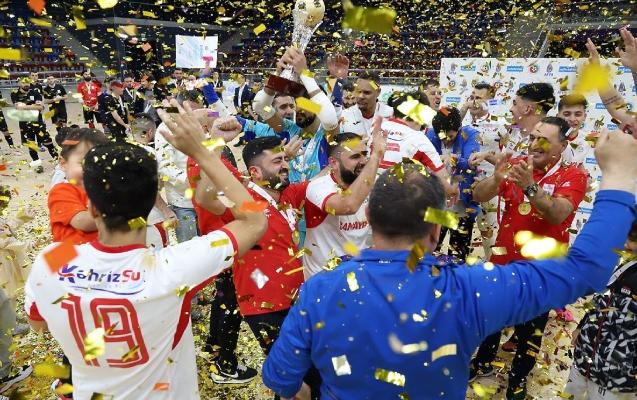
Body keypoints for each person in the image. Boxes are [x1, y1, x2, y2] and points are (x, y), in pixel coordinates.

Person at [260, 127, 637, 400]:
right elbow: (585, 270)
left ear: (370, 219)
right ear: (436, 230)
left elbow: (279, 377)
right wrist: (620, 178)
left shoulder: (319, 289)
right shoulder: (469, 288)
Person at [25, 101, 267, 399]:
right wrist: (205, 150)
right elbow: (255, 220)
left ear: (92, 207)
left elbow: (38, 323)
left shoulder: (49, 261)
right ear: (153, 200)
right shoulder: (173, 269)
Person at [470, 117, 588, 399]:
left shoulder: (574, 175)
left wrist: (530, 186)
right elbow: (477, 195)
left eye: (543, 139)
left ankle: (518, 380)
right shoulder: (518, 164)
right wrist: (495, 179)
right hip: (503, 264)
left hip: (541, 272)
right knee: (493, 318)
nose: (534, 144)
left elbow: (558, 213)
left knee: (530, 332)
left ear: (562, 145)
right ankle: (482, 363)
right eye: (533, 137)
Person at [195, 137, 319, 394]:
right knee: (294, 379)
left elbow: (325, 179)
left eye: (285, 159)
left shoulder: (289, 195)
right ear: (255, 172)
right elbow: (206, 199)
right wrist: (214, 146)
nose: (285, 165)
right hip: (264, 306)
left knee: (307, 371)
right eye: (277, 161)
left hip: (298, 299)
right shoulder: (247, 203)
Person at [565, 218, 637, 400]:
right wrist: (582, 326)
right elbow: (603, 298)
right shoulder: (627, 264)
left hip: (615, 378)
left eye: (633, 240)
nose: (626, 244)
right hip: (585, 359)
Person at [303, 126, 386, 278]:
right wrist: (375, 157)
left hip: (358, 275)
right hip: (324, 280)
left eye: (365, 154)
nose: (363, 161)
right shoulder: (318, 187)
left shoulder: (372, 183)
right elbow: (348, 206)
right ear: (333, 163)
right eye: (355, 157)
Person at [253, 47, 339, 182]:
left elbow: (329, 119)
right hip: (290, 195)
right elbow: (260, 106)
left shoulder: (327, 134)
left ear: (317, 107)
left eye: (306, 104)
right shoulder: (289, 128)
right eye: (298, 103)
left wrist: (304, 73)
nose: (299, 109)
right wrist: (276, 76)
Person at [462, 83, 509, 259]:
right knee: (459, 231)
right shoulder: (462, 121)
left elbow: (507, 155)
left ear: (489, 101)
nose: (474, 102)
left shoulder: (501, 124)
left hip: (489, 186)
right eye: (472, 97)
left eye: (479, 98)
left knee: (490, 233)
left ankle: (493, 266)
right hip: (463, 186)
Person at [427, 107, 481, 261]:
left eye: (450, 136)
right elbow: (425, 161)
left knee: (457, 256)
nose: (446, 140)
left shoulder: (471, 134)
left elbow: (472, 163)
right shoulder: (431, 134)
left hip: (462, 201)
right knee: (428, 252)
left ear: (459, 128)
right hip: (437, 201)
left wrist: (452, 158)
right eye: (442, 136)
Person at [48, 128, 109, 244]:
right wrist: (123, 210)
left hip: (102, 250)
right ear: (63, 163)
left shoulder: (106, 189)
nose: (93, 170)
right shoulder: (61, 191)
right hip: (71, 251)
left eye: (100, 163)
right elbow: (83, 223)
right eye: (84, 162)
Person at [0, 186, 33, 396]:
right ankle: (3, 375)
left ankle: (11, 322)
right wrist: (27, 244)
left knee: (8, 302)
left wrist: (19, 219)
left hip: (6, 270)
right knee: (5, 307)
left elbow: (5, 229)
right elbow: (5, 240)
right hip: (2, 271)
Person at [10, 77, 58, 173]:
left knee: (48, 141)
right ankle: (37, 163)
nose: (26, 84)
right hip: (24, 123)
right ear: (19, 83)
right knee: (31, 144)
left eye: (28, 82)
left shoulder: (35, 93)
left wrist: (25, 106)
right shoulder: (14, 94)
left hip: (38, 122)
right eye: (23, 82)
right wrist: (33, 106)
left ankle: (57, 161)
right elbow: (18, 107)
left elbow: (40, 108)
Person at [340, 71, 394, 139]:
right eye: (358, 91)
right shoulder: (344, 116)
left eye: (366, 92)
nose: (361, 96)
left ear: (378, 92)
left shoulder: (391, 115)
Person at [505, 82, 555, 155]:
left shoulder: (554, 142)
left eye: (515, 104)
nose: (511, 109)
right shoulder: (512, 133)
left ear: (527, 109)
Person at [557, 94, 593, 168]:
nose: (572, 119)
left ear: (584, 117)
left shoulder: (587, 140)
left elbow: (579, 163)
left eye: (578, 114)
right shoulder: (548, 138)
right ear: (558, 116)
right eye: (567, 114)